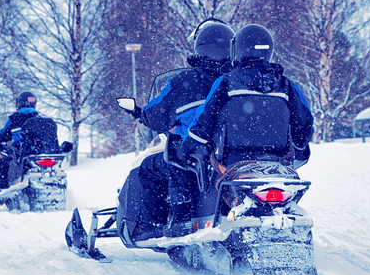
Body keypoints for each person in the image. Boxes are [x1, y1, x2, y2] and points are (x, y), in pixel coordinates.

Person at [125, 19, 234, 237]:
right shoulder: (236, 80)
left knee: (149, 169)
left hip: (196, 153)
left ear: (200, 47)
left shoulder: (184, 81)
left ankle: (158, 225)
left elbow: (155, 116)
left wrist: (140, 113)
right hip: (230, 154)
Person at [184, 24, 314, 170]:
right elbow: (305, 123)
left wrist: (190, 146)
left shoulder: (226, 82)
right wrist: (300, 146)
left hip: (231, 162)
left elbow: (205, 120)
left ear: (237, 49)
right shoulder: (286, 85)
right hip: (278, 162)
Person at [0, 92, 70, 196]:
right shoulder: (40, 118)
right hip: (40, 150)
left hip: (21, 149)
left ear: (19, 103)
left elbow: (3, 134)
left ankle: (0, 189)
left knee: (1, 163)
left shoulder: (14, 118)